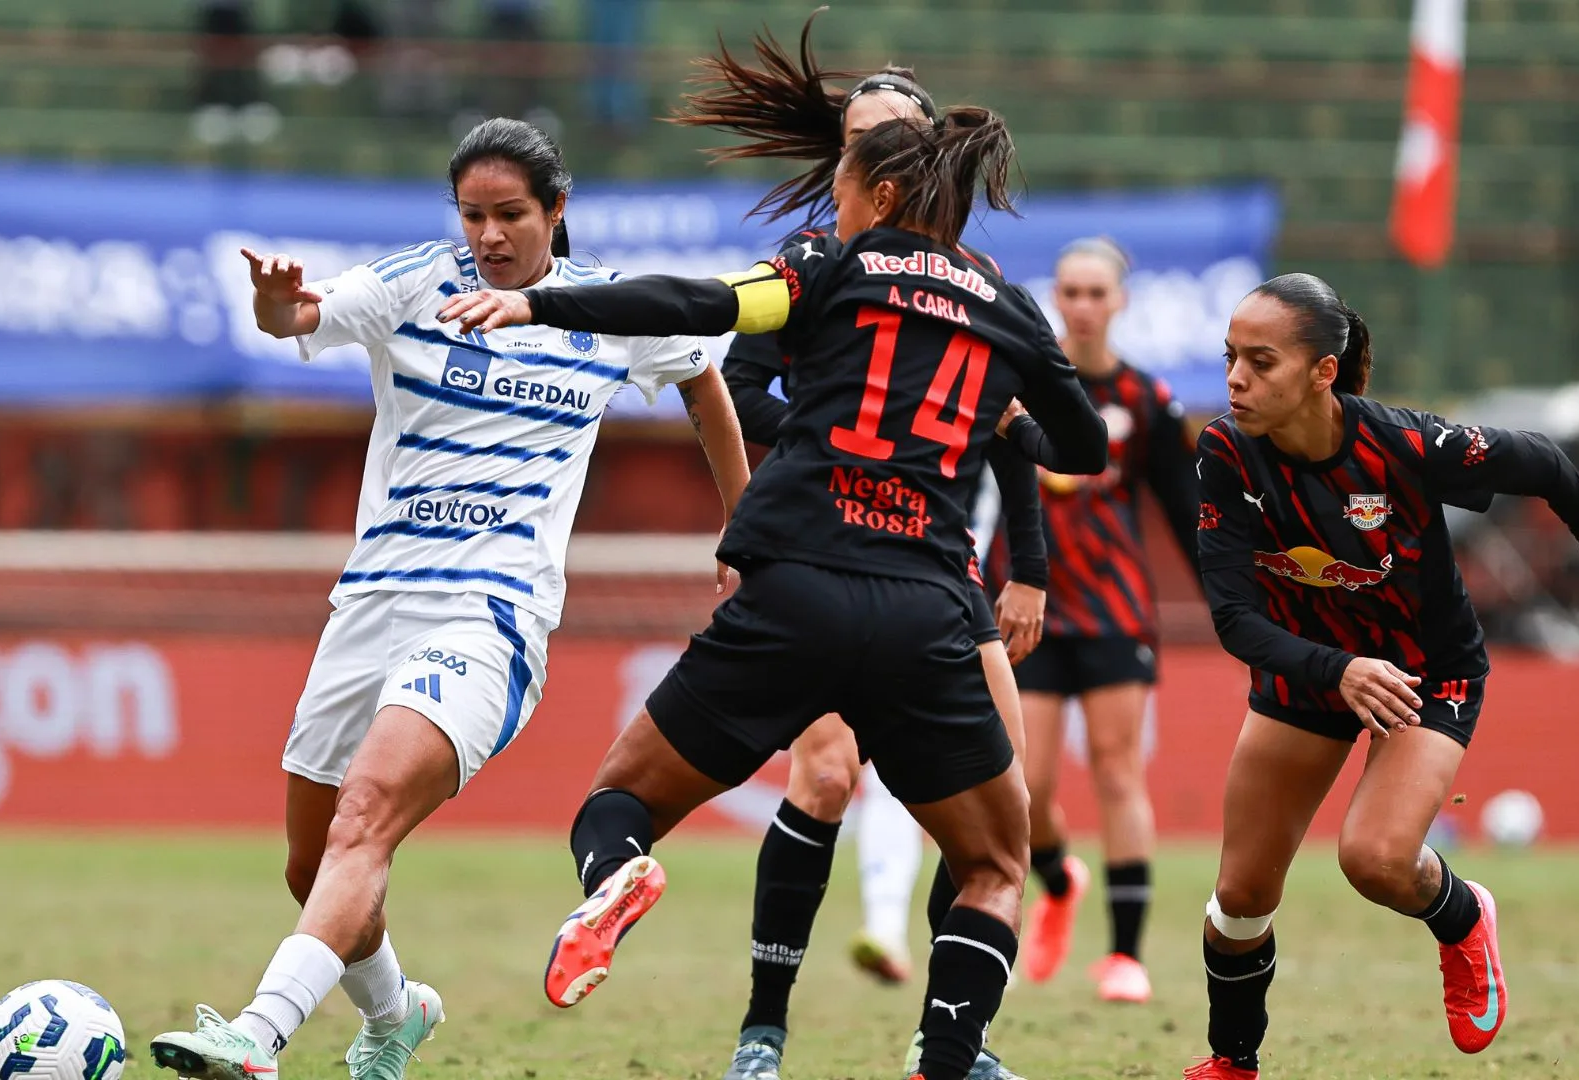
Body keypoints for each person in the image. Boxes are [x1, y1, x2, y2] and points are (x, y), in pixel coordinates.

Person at [440, 100, 1110, 1080]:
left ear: (878, 196)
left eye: (836, 190)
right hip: (927, 606)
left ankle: (620, 879)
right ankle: (946, 1057)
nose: (828, 206)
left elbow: (704, 308)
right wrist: (1005, 421)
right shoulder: (1009, 310)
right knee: (997, 870)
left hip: (794, 586)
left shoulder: (825, 266)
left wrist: (541, 303)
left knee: (617, 802)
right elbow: (1083, 449)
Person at [144, 117, 751, 1080]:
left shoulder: (606, 308)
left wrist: (741, 529)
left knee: (365, 817)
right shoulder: (414, 283)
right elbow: (298, 320)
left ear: (557, 211)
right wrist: (274, 307)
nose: (491, 236)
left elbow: (704, 381)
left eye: (511, 214)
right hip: (371, 605)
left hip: (489, 614)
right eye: (473, 215)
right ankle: (395, 1015)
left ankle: (255, 1037)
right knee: (313, 867)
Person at [1181, 273, 1579, 1079]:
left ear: (1322, 373)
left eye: (1261, 362)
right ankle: (1232, 1063)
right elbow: (1236, 620)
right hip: (1313, 676)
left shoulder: (1406, 446)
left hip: (1425, 675)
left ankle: (1461, 916)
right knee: (1239, 899)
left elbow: (1545, 462)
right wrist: (1338, 670)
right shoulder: (1224, 453)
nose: (1236, 379)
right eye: (1230, 357)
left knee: (1373, 860)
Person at [689, 40, 1050, 1080]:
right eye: (855, 142)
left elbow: (1011, 426)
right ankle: (764, 1033)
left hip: (939, 568)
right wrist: (829, 433)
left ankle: (951, 1041)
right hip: (821, 549)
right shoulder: (808, 262)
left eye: (887, 140)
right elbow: (734, 384)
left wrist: (1026, 569)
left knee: (1001, 815)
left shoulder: (973, 285)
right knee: (825, 772)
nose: (869, 159)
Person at [983, 237, 1201, 1003]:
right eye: (1069, 292)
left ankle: (1125, 957)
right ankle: (1057, 879)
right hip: (1026, 608)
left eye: (1094, 293)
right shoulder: (1018, 387)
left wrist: (1238, 605)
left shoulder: (1146, 399)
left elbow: (1184, 510)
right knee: (1027, 784)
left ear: (1120, 302)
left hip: (1114, 611)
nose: (1081, 305)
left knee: (1117, 771)